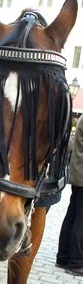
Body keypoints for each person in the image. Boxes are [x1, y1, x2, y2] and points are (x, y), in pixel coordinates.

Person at [56, 114, 83, 275]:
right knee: (80, 219)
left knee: (72, 216)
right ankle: (76, 262)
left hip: (79, 174)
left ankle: (63, 257)